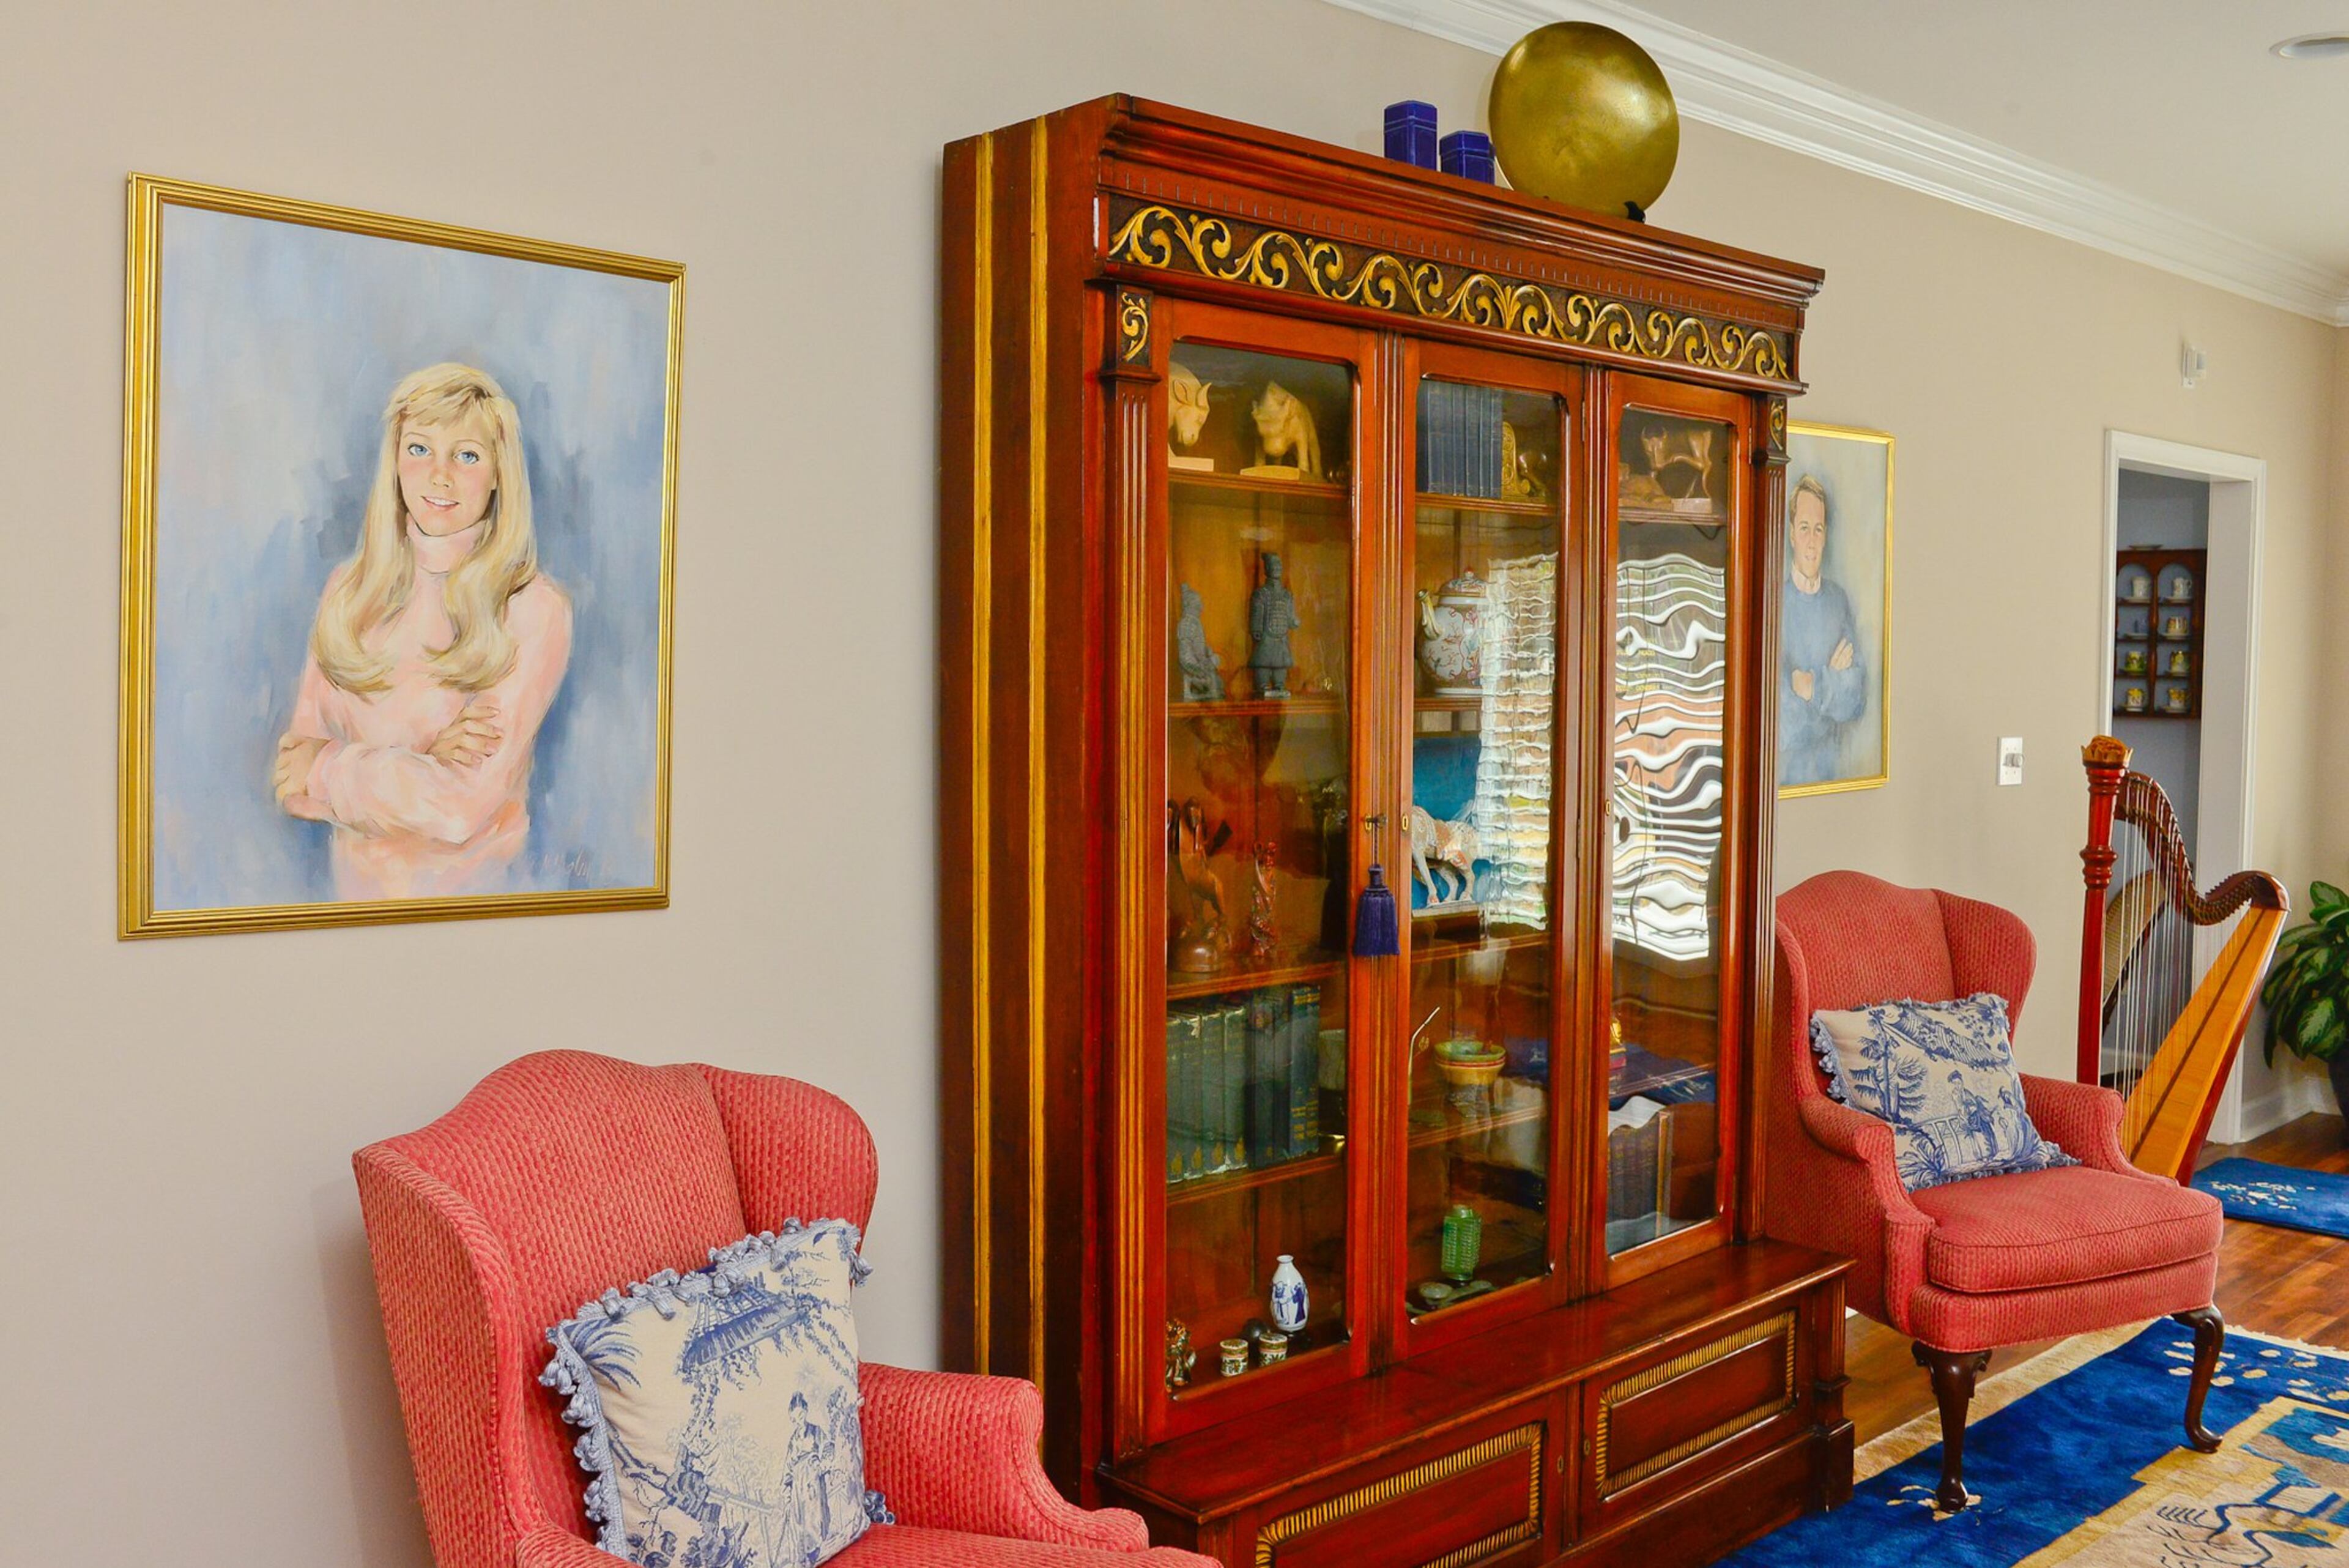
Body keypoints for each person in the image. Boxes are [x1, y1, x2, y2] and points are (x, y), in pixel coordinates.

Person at [272, 363, 573, 899]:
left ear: (501, 472)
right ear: (393, 462)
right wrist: (426, 759)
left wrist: (332, 768)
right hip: (353, 914)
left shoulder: (532, 609)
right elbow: (292, 780)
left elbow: (459, 810)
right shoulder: (349, 592)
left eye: (467, 455)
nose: (440, 475)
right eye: (419, 449)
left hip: (476, 911)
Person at [1779, 474, 1866, 786]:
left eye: (1818, 529)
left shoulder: (1838, 600)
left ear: (1826, 535)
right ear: (1791, 534)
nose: (1812, 541)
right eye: (1804, 528)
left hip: (1834, 774)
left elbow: (1856, 699)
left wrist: (1813, 686)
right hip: (1784, 780)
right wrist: (1832, 681)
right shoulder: (1774, 602)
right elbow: (1783, 726)